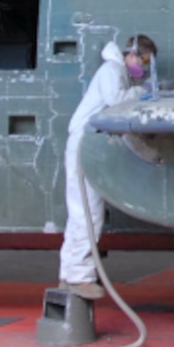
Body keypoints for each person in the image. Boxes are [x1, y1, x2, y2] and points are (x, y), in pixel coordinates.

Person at [59, 34, 158, 301]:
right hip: (85, 144)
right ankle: (79, 278)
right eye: (144, 61)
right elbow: (116, 100)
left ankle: (70, 274)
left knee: (83, 213)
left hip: (89, 144)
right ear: (132, 54)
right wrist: (143, 91)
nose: (143, 68)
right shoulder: (112, 70)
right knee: (88, 214)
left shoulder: (118, 72)